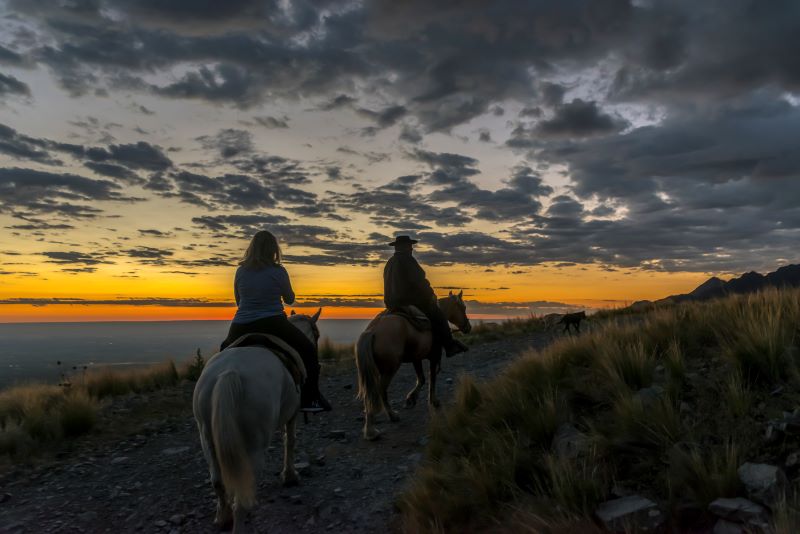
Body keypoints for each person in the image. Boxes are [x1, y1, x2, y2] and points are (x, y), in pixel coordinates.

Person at [220, 230, 331, 413]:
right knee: (309, 351)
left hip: (241, 324)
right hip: (273, 323)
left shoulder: (240, 271)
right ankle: (310, 399)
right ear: (273, 249)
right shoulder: (278, 271)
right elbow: (289, 300)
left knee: (223, 352)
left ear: (252, 248)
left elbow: (239, 301)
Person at [383, 235, 468, 358]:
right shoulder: (408, 260)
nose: (411, 249)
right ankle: (449, 346)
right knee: (439, 316)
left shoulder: (389, 263)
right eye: (410, 246)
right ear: (405, 247)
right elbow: (420, 281)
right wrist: (430, 294)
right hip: (409, 301)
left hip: (391, 303)